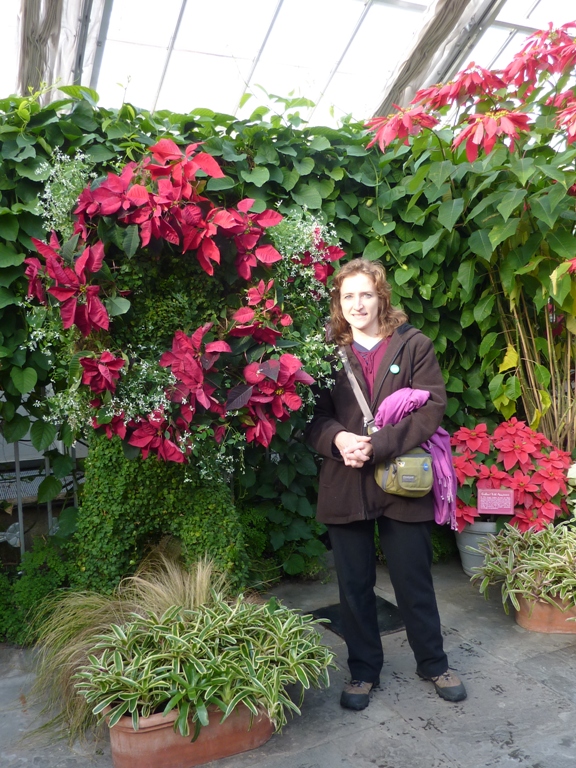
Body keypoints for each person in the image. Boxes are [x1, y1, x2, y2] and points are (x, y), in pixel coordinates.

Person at [305, 258, 466, 711]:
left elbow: (431, 408)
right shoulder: (323, 351)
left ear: (381, 298)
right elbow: (311, 418)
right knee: (353, 584)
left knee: (413, 578)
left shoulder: (413, 344)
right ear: (339, 301)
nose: (358, 304)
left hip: (401, 478)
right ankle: (363, 671)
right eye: (348, 295)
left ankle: (433, 662)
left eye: (366, 295)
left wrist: (379, 445)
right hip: (345, 479)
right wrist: (337, 439)